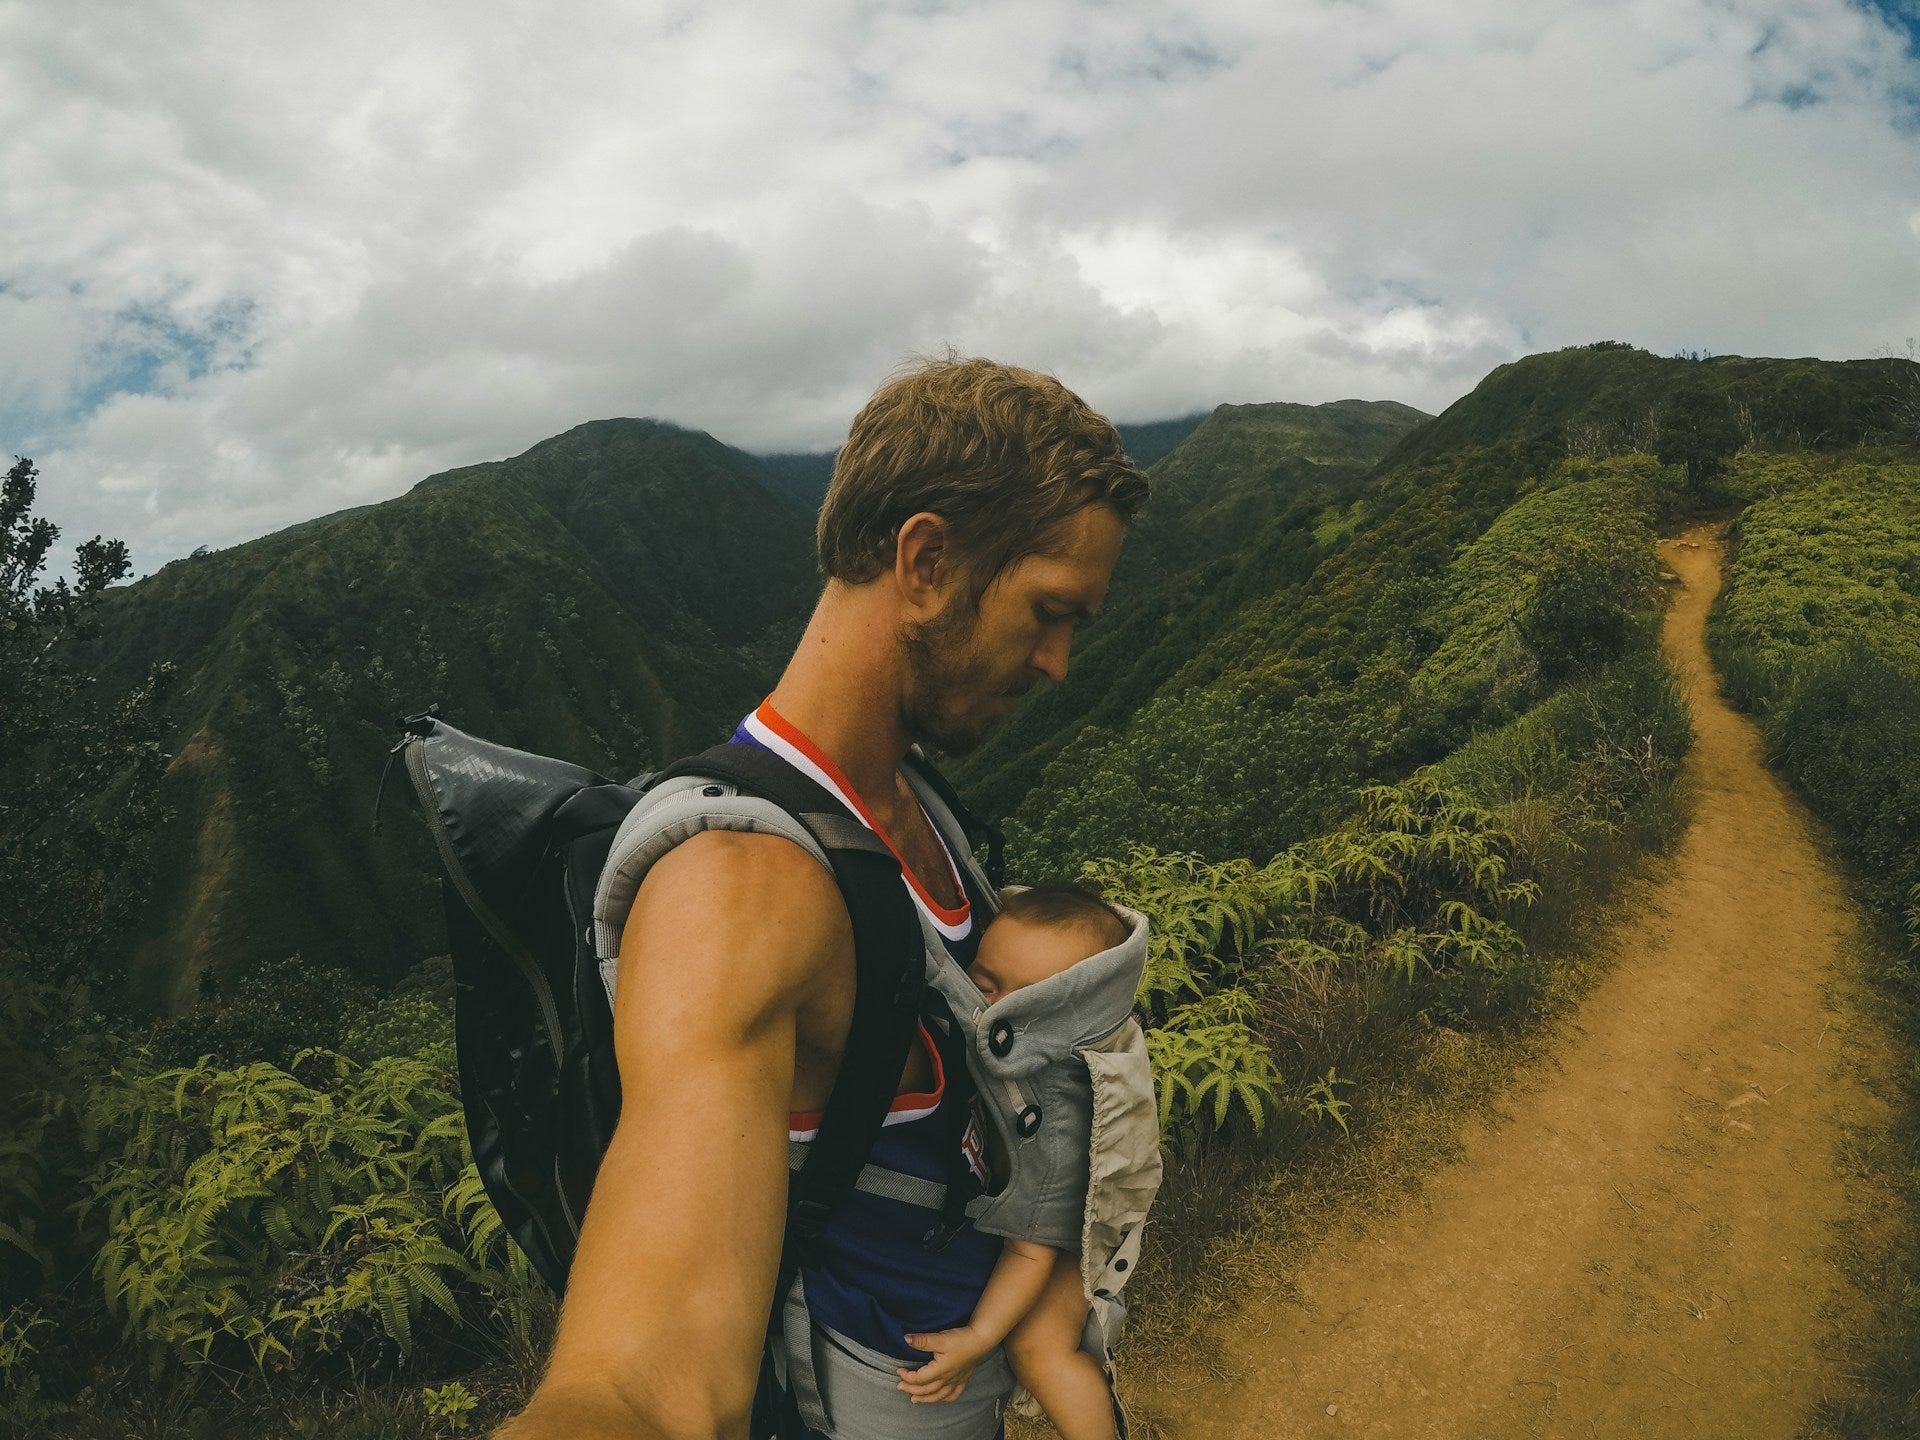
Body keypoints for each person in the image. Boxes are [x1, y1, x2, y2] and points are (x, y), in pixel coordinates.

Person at [497, 355, 1150, 1440]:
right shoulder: (738, 893)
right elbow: (646, 1382)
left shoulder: (914, 804)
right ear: (927, 561)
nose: (1059, 664)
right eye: (1048, 612)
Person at [896, 883, 1148, 1440]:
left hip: (1072, 1230)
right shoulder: (1066, 1043)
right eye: (984, 984)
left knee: (1038, 1347)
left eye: (1019, 1004)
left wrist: (979, 1339)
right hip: (1069, 1204)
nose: (989, 1008)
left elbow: (1029, 1250)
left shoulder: (1052, 1120)